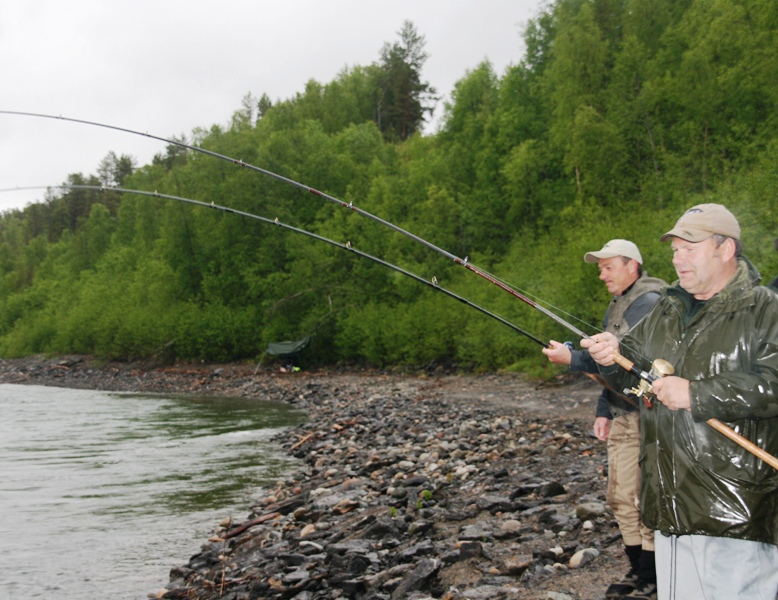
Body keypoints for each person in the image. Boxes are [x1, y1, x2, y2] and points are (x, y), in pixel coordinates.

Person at [582, 204, 778, 600]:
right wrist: (611, 355)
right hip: (669, 505)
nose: (677, 258)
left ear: (726, 250)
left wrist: (697, 393)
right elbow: (632, 371)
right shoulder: (667, 309)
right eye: (674, 249)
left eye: (689, 247)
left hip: (734, 509)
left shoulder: (766, 308)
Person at [543, 239, 665, 600]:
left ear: (632, 266)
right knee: (619, 497)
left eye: (607, 266)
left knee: (642, 499)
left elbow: (629, 360)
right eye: (600, 267)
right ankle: (638, 571)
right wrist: (603, 410)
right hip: (622, 413)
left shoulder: (649, 302)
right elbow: (613, 372)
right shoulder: (620, 303)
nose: (601, 274)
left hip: (648, 418)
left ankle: (651, 577)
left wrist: (574, 360)